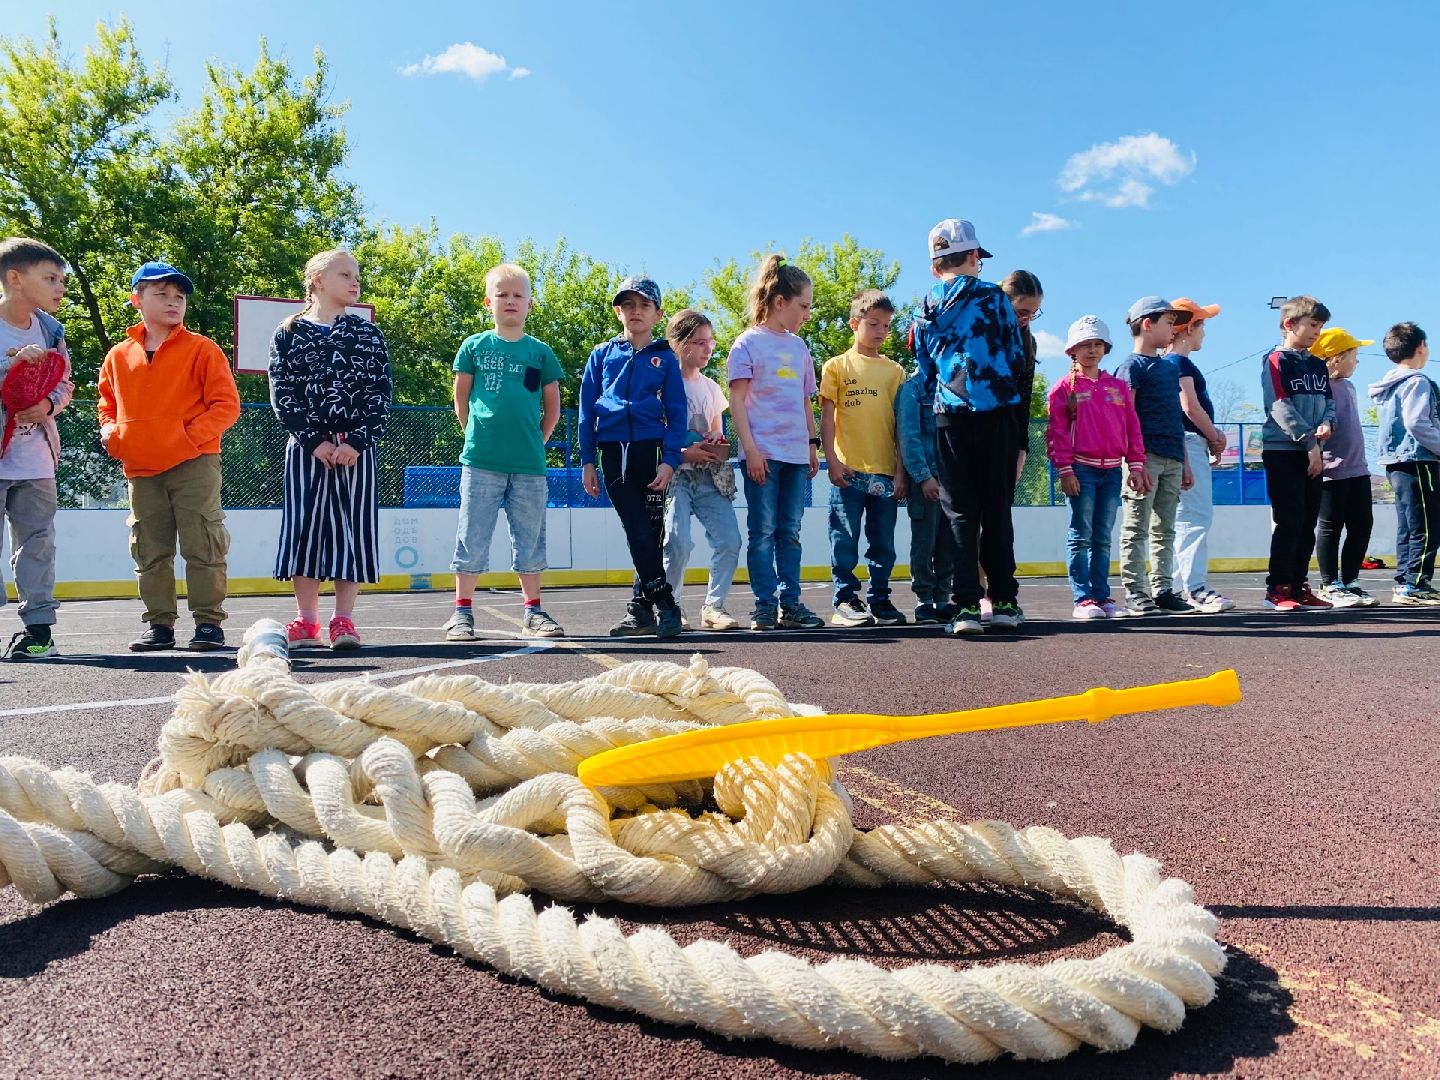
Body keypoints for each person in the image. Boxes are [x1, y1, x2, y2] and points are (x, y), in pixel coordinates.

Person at [98, 261, 240, 652]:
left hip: (195, 462)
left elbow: (226, 406)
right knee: (149, 549)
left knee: (204, 543)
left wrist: (185, 439)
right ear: (137, 300)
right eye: (161, 294)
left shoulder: (202, 348)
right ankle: (159, 625)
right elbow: (107, 405)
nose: (173, 302)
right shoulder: (117, 355)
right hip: (141, 467)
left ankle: (208, 624)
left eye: (179, 296)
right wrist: (112, 434)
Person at [268, 249, 392, 649]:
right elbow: (282, 393)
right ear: (318, 280)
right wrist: (313, 440)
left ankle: (344, 620)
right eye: (345, 274)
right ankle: (306, 621)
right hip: (307, 450)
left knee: (352, 531)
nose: (355, 281)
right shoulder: (288, 332)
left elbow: (380, 394)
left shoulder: (367, 334)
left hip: (356, 452)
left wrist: (357, 441)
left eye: (357, 275)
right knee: (303, 531)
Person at [909, 218, 1025, 635]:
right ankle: (1005, 601)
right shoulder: (994, 298)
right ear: (974, 256)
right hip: (996, 413)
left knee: (959, 512)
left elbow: (924, 372)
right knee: (996, 508)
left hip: (950, 417)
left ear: (934, 265)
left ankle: (965, 608)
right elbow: (1015, 355)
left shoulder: (923, 309)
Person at [443, 263, 565, 642]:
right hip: (480, 462)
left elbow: (553, 408)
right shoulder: (474, 347)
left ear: (530, 304)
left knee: (530, 538)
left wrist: (536, 442)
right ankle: (462, 613)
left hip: (529, 466)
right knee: (472, 536)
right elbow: (461, 400)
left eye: (518, 295)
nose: (510, 301)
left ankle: (533, 611)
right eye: (502, 294)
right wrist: (475, 436)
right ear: (488, 302)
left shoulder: (541, 353)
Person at [579, 275, 686, 637]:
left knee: (650, 533)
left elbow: (677, 413)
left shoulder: (666, 358)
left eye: (644, 305)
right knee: (636, 526)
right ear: (618, 312)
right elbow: (586, 411)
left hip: (651, 451)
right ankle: (666, 602)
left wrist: (670, 460)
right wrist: (587, 459)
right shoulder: (602, 354)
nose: (635, 311)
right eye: (628, 305)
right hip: (612, 452)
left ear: (658, 314)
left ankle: (640, 611)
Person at [728, 255, 825, 631]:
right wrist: (751, 450)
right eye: (803, 306)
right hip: (763, 456)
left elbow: (805, 399)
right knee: (763, 532)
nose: (807, 314)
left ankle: (791, 604)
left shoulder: (800, 348)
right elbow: (737, 402)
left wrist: (812, 443)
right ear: (779, 301)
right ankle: (765, 605)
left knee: (790, 532)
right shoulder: (747, 343)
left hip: (796, 455)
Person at [1047, 316, 1149, 619]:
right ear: (1072, 350)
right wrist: (1065, 470)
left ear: (1105, 348)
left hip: (1112, 471)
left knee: (1103, 537)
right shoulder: (1063, 389)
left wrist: (1136, 464)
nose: (1092, 350)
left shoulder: (1118, 387)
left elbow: (1132, 427)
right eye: (1085, 345)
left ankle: (1103, 597)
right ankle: (1083, 599)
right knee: (1081, 535)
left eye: (1097, 344)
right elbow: (1056, 433)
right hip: (1081, 470)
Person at [0, 238, 72, 659]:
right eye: (50, 278)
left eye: (61, 280)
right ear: (15, 278)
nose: (59, 288)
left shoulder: (51, 330)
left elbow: (64, 384)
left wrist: (47, 405)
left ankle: (39, 634)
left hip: (37, 460)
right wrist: (11, 366)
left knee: (38, 545)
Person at [820, 289, 906, 626]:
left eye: (886, 325)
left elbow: (901, 425)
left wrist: (901, 471)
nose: (880, 331)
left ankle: (880, 599)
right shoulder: (836, 366)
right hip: (849, 471)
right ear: (854, 323)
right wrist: (832, 460)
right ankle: (845, 600)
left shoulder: (895, 371)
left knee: (883, 542)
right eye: (873, 323)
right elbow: (827, 419)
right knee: (844, 538)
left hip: (885, 472)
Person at [660, 308, 741, 630]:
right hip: (675, 476)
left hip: (709, 476)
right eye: (700, 342)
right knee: (677, 542)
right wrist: (683, 453)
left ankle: (714, 607)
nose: (709, 349)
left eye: (711, 342)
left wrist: (716, 440)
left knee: (730, 540)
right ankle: (671, 607)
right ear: (679, 344)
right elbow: (654, 436)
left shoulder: (711, 388)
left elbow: (717, 430)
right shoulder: (661, 386)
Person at [1115, 296, 1196, 617]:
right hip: (1144, 458)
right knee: (1136, 526)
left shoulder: (1168, 368)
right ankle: (1135, 591)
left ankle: (1163, 590)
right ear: (1147, 324)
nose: (1173, 330)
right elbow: (1127, 417)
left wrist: (1185, 461)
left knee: (1165, 528)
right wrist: (1135, 462)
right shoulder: (1131, 367)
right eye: (1168, 323)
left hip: (1172, 457)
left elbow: (1176, 417)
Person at [1260, 296, 1335, 612]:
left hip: (1313, 452)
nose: (1317, 332)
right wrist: (1308, 442)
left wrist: (1327, 422)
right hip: (1284, 451)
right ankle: (1278, 588)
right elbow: (1279, 406)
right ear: (1289, 324)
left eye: (1320, 326)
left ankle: (1299, 584)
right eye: (1313, 325)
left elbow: (1328, 402)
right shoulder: (1276, 360)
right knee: (1289, 520)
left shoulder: (1317, 364)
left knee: (1307, 522)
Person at [1169, 297, 1234, 613]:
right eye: (1201, 325)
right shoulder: (1179, 363)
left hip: (1184, 444)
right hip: (1188, 443)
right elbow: (1189, 406)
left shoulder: (1172, 363)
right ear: (1188, 328)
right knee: (1194, 518)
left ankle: (1177, 588)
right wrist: (1215, 435)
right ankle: (1193, 588)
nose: (1204, 333)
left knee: (1182, 519)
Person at [1370, 321, 1440, 605]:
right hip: (1419, 459)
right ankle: (1415, 583)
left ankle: (1405, 581)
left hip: (1396, 462)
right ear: (1421, 347)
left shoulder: (1389, 384)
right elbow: (1417, 423)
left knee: (1409, 526)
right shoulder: (1417, 381)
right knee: (1427, 524)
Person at [1311, 327, 1378, 607]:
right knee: (1330, 526)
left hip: (1358, 468)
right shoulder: (1319, 388)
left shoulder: (1349, 387)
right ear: (1336, 357)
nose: (1357, 361)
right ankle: (1330, 583)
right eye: (1353, 355)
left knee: (1362, 524)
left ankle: (1350, 580)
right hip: (1331, 469)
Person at [895, 366, 956, 624]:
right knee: (924, 542)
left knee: (948, 543)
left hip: (952, 480)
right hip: (927, 481)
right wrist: (923, 476)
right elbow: (908, 436)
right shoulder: (913, 388)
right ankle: (924, 600)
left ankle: (942, 598)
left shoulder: (953, 383)